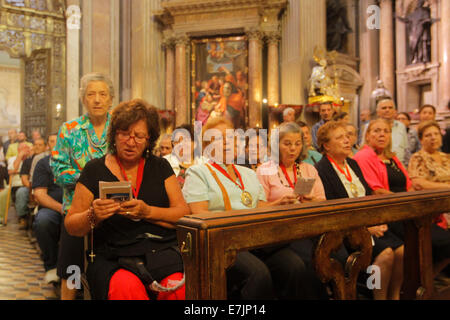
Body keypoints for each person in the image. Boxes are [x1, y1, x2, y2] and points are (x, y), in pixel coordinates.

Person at [64, 99, 188, 300]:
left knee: (178, 290)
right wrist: (93, 216)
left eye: (139, 136)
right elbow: (71, 225)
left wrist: (147, 212)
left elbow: (183, 213)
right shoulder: (94, 170)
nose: (131, 142)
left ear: (149, 139)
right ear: (114, 135)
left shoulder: (160, 167)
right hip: (115, 257)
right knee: (127, 290)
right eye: (124, 134)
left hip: (161, 252)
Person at [183, 117, 311, 300]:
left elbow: (259, 207)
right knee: (258, 274)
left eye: (231, 138)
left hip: (256, 240)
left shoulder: (249, 173)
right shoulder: (198, 173)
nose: (227, 143)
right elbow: (200, 215)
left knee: (294, 266)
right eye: (219, 139)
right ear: (206, 147)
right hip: (224, 243)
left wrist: (278, 204)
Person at [315, 120, 404, 300]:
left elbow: (367, 194)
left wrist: (375, 220)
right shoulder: (322, 169)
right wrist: (365, 228)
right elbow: (334, 210)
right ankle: (378, 295)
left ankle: (394, 295)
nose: (347, 140)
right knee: (385, 255)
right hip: (344, 230)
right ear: (326, 145)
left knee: (402, 251)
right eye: (340, 138)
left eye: (347, 136)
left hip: (367, 223)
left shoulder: (352, 164)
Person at [50, 72, 114, 300]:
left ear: (111, 98)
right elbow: (59, 170)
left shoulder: (120, 128)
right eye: (91, 94)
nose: (97, 99)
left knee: (111, 269)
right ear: (83, 99)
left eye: (103, 94)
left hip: (114, 209)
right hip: (76, 210)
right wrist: (90, 182)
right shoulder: (70, 129)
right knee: (72, 268)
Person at [256, 122, 329, 300]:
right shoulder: (264, 170)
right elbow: (258, 208)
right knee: (307, 262)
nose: (293, 149)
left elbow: (323, 202)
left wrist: (311, 201)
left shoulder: (309, 169)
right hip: (281, 232)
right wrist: (279, 203)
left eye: (297, 143)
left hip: (309, 228)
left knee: (333, 256)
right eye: (287, 144)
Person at [408, 121, 450, 230]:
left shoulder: (446, 157)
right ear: (421, 140)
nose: (433, 138)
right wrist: (447, 187)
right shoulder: (418, 157)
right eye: (428, 135)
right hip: (432, 206)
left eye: (436, 134)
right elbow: (418, 183)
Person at [32, 144, 64, 285]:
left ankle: (76, 273)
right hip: (53, 206)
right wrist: (62, 208)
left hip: (79, 206)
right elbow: (40, 194)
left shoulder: (80, 161)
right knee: (43, 221)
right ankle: (52, 265)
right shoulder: (44, 163)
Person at [361, 98, 409, 166]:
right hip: (377, 165)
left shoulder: (401, 126)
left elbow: (406, 149)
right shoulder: (369, 126)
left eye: (390, 108)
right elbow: (364, 147)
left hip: (399, 165)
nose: (387, 110)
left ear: (395, 111)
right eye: (384, 108)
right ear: (377, 112)